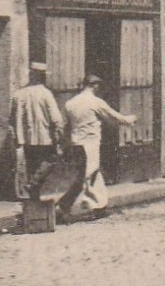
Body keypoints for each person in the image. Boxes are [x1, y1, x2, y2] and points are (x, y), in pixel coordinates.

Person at [60, 75, 137, 222]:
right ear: (94, 85)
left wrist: (64, 143)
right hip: (90, 144)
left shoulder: (70, 103)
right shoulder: (95, 102)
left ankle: (94, 206)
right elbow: (114, 117)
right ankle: (73, 206)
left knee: (90, 175)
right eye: (98, 86)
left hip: (76, 143)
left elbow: (65, 125)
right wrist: (130, 120)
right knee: (89, 175)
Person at [9, 62, 64, 202]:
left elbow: (12, 118)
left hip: (26, 138)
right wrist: (60, 133)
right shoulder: (46, 94)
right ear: (42, 77)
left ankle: (34, 198)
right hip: (45, 137)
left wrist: (17, 137)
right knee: (50, 160)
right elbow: (56, 117)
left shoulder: (18, 94)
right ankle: (33, 185)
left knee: (32, 166)